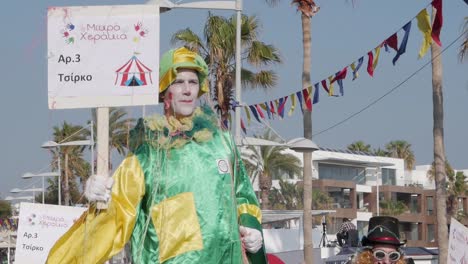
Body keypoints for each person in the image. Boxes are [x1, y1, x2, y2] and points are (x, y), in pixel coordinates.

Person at [46, 47, 267, 264]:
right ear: (164, 90)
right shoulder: (148, 154)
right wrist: (102, 198)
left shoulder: (222, 143)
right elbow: (115, 218)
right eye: (179, 82)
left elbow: (244, 197)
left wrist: (251, 227)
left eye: (193, 82)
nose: (187, 90)